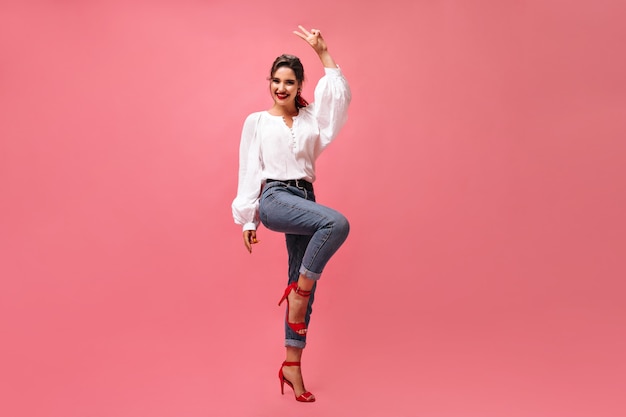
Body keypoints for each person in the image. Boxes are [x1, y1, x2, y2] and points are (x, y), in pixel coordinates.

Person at [231, 25, 351, 402]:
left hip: (305, 198)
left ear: (300, 86)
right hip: (276, 198)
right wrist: (249, 218)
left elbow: (339, 101)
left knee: (305, 295)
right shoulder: (257, 122)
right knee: (336, 223)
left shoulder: (312, 119)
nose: (280, 88)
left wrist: (324, 52)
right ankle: (299, 290)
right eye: (275, 80)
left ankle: (292, 367)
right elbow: (250, 169)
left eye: (289, 82)